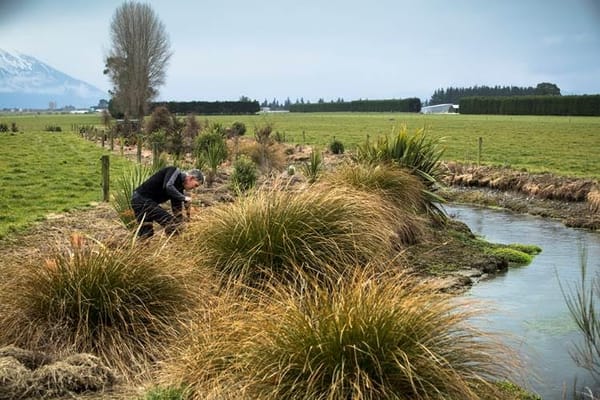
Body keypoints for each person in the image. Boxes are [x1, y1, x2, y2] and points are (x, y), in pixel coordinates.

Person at [131, 166, 203, 238]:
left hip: (142, 201)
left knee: (147, 234)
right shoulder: (174, 171)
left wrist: (185, 223)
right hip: (141, 199)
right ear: (191, 178)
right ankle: (173, 246)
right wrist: (184, 198)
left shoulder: (179, 189)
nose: (194, 188)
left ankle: (141, 247)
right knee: (172, 224)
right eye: (195, 185)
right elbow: (168, 186)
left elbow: (177, 210)